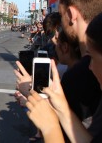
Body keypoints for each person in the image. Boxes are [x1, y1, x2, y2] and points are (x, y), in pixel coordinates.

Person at [26, 11, 102, 143]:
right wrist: (62, 109)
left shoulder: (75, 77)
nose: (89, 66)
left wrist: (50, 127)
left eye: (92, 58)